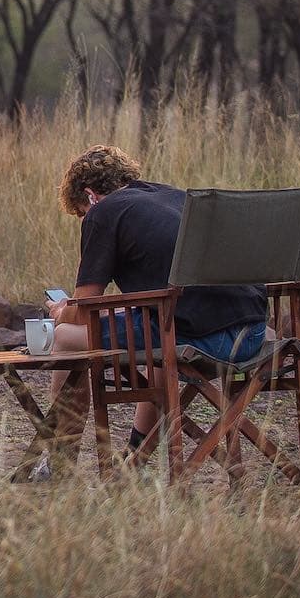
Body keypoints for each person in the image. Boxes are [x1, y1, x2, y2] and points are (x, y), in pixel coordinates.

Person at [47, 145, 268, 457]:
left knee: (66, 337)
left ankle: (60, 461)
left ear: (90, 195)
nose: (85, 219)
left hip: (204, 340)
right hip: (254, 333)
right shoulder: (174, 197)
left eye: (82, 213)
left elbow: (84, 311)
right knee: (159, 327)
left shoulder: (103, 212)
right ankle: (133, 460)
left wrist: (61, 311)